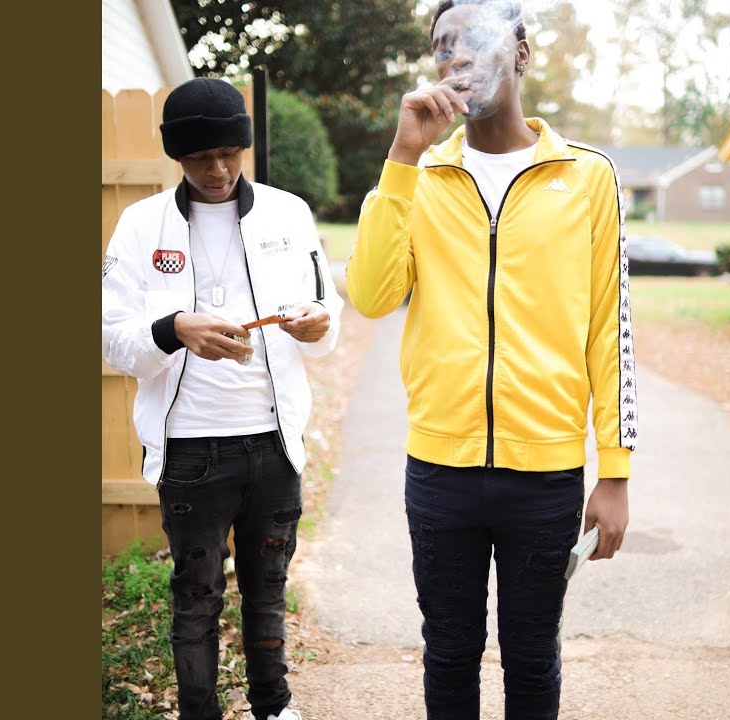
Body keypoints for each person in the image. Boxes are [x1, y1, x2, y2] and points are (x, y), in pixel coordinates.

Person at [346, 1, 637, 717]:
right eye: (444, 46)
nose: (459, 58)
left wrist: (615, 472)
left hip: (545, 476)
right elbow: (373, 296)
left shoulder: (587, 176)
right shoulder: (421, 174)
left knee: (532, 656)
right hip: (439, 471)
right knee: (448, 652)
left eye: (475, 40)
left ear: (523, 53)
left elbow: (611, 331)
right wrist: (402, 158)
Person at [102, 76, 340, 720]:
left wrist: (319, 324)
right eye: (201, 158)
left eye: (230, 154)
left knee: (268, 591)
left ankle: (274, 707)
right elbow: (112, 338)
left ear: (244, 148)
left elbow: (326, 317)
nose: (218, 170)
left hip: (273, 442)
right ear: (177, 156)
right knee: (195, 597)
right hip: (190, 448)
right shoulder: (140, 225)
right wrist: (173, 329)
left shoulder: (288, 214)